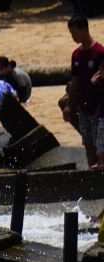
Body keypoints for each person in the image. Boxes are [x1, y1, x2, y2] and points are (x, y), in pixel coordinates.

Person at [65, 14, 104, 170]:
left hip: (98, 107)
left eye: (74, 33)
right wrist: (68, 105)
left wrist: (100, 107)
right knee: (87, 142)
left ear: (84, 29)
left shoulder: (100, 52)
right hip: (83, 107)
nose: (73, 37)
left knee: (99, 144)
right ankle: (90, 175)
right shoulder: (76, 54)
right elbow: (74, 82)